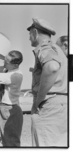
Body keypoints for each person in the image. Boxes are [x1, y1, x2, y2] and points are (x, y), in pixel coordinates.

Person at [27, 17, 68, 147]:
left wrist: (39, 99)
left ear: (35, 32)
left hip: (49, 105)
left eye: (30, 34)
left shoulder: (44, 47)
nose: (29, 38)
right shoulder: (57, 50)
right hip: (61, 104)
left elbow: (52, 68)